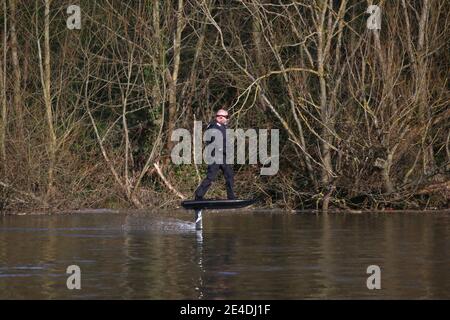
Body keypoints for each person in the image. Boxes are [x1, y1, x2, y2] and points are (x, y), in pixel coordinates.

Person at [194, 109, 236, 200]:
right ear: (221, 117)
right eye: (227, 117)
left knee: (230, 176)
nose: (228, 119)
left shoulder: (223, 127)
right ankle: (198, 195)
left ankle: (231, 197)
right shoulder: (213, 127)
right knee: (211, 177)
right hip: (215, 156)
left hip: (223, 156)